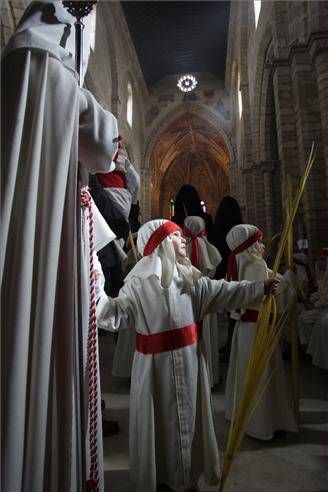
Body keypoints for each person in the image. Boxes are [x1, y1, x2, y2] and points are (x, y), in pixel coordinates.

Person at [1, 2, 118, 490]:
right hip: (54, 242)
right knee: (46, 358)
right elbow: (104, 145)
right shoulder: (59, 75)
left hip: (19, 240)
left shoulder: (13, 65)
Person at [96, 219, 279, 491]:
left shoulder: (191, 280)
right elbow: (112, 314)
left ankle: (188, 478)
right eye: (176, 235)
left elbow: (226, 291)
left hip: (191, 364)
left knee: (191, 424)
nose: (183, 239)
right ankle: (162, 480)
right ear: (159, 243)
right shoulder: (138, 285)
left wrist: (259, 288)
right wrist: (94, 282)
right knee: (159, 427)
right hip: (153, 372)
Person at [224, 224, 298, 440]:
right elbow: (281, 295)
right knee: (263, 374)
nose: (262, 246)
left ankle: (244, 416)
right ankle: (263, 423)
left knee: (245, 372)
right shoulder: (255, 267)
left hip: (245, 329)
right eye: (258, 241)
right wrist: (290, 278)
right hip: (259, 329)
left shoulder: (242, 264)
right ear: (249, 246)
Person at [183, 215, 222, 386]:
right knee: (207, 337)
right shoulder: (210, 249)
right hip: (206, 295)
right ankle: (210, 377)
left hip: (185, 298)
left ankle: (190, 378)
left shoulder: (180, 247)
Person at [212, 196, 243, 361]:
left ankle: (231, 346)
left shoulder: (219, 228)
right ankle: (232, 344)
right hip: (238, 269)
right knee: (235, 312)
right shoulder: (239, 228)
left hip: (225, 270)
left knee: (231, 311)